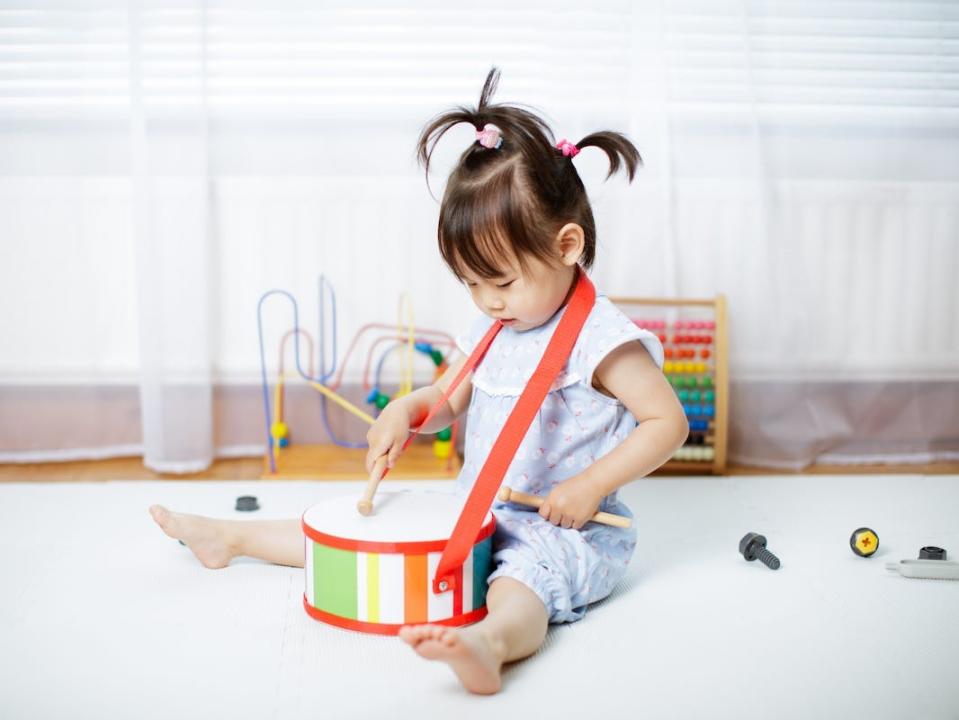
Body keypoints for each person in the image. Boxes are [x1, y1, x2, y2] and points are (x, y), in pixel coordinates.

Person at [150, 67, 688, 695]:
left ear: (568, 245)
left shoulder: (601, 339)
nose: (487, 301)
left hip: (563, 528)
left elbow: (668, 422)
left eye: (502, 281)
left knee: (521, 583)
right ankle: (231, 536)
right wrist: (407, 410)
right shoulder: (498, 327)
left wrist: (592, 485)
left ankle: (489, 644)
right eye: (471, 284)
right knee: (367, 527)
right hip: (475, 508)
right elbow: (447, 397)